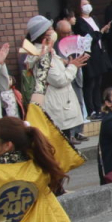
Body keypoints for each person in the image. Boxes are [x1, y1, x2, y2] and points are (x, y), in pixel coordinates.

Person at [22, 16, 89, 146]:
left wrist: (66, 63)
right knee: (60, 147)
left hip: (58, 104)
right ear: (43, 34)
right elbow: (59, 79)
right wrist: (73, 66)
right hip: (56, 106)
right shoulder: (42, 54)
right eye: (50, 29)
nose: (53, 32)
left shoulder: (46, 51)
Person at [73, 0, 111, 118]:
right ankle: (91, 110)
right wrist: (100, 31)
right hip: (89, 55)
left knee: (98, 82)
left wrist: (104, 32)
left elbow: (99, 36)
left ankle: (98, 107)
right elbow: (89, 37)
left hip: (99, 53)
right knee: (90, 83)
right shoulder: (79, 22)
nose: (87, 6)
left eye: (88, 3)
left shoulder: (94, 19)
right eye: (84, 4)